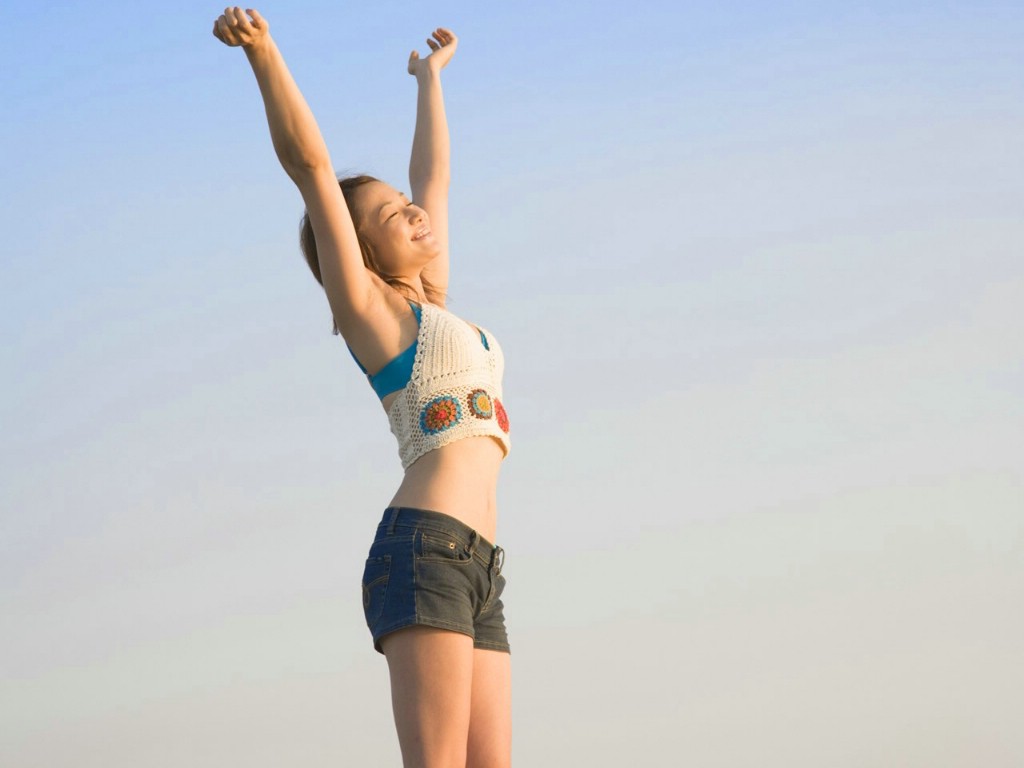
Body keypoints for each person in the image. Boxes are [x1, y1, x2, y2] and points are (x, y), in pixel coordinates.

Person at [213, 8, 513, 767]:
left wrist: (429, 82)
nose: (412, 212)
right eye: (388, 215)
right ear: (362, 249)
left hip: (479, 563)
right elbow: (312, 168)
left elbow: (433, 178)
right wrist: (264, 54)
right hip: (426, 552)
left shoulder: (435, 300)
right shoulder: (372, 314)